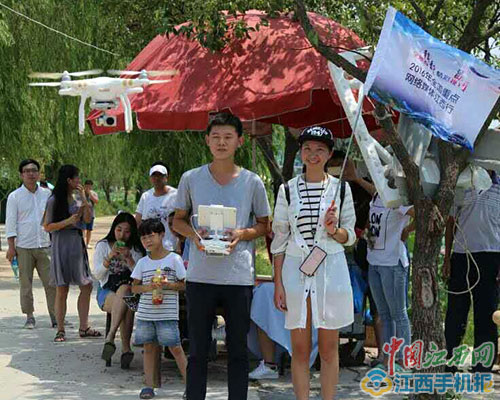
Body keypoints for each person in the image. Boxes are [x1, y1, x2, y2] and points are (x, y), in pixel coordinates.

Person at [173, 112, 271, 400]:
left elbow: (263, 225)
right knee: (198, 350)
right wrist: (195, 236)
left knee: (238, 351)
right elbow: (177, 220)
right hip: (200, 276)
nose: (221, 142)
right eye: (215, 137)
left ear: (239, 141)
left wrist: (242, 233)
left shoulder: (252, 182)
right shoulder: (191, 178)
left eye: (228, 137)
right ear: (207, 140)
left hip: (238, 277)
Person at [272, 126, 356, 400]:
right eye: (307, 148)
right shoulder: (287, 190)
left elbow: (350, 236)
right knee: (300, 349)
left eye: (320, 149)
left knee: (329, 349)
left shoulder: (341, 189)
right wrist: (278, 283)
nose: (313, 154)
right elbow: (280, 240)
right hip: (295, 273)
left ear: (330, 154)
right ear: (300, 152)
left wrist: (334, 230)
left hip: (331, 272)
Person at [443, 170, 500, 372]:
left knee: (486, 314)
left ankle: (482, 368)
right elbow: (451, 222)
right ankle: (450, 363)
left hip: (491, 256)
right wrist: (447, 258)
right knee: (455, 312)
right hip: (461, 254)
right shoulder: (465, 181)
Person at [43, 164, 101, 342]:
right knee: (62, 288)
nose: (79, 181)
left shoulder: (77, 198)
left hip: (77, 243)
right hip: (61, 243)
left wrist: (84, 199)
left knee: (86, 285)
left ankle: (84, 326)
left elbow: (87, 219)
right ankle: (60, 330)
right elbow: (47, 226)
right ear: (69, 180)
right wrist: (67, 221)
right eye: (76, 177)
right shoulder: (54, 200)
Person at [131, 219, 187, 399]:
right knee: (148, 348)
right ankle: (148, 386)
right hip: (146, 314)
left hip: (167, 314)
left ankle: (191, 385)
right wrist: (147, 287)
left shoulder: (174, 259)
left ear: (162, 235)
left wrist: (168, 285)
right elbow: (134, 288)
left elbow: (184, 284)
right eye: (143, 238)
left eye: (151, 236)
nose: (147, 241)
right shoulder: (142, 263)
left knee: (175, 348)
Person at [366, 192, 414, 372]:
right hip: (374, 262)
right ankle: (388, 359)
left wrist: (407, 230)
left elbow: (421, 213)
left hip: (393, 263)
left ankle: (403, 360)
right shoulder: (376, 195)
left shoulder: (397, 197)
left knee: (398, 314)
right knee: (384, 314)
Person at [5, 159, 56, 328]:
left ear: (39, 174)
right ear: (21, 175)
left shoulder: (47, 194)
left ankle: (56, 316)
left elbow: (52, 218)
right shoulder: (14, 196)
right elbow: (11, 223)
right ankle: (29, 316)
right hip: (23, 247)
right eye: (27, 171)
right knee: (25, 284)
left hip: (45, 246)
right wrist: (11, 247)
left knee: (51, 283)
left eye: (34, 170)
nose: (31, 174)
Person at [93, 212, 145, 368]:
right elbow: (97, 275)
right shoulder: (103, 246)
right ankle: (125, 349)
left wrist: (129, 259)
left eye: (127, 231)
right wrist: (109, 257)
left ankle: (110, 337)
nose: (122, 235)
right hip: (107, 291)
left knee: (125, 291)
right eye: (119, 230)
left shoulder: (136, 249)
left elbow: (140, 277)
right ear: (113, 229)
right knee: (126, 303)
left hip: (129, 290)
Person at [135, 162, 178, 251]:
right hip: (150, 247)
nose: (157, 178)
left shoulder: (176, 195)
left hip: (172, 246)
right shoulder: (145, 196)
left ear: (166, 177)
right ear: (150, 178)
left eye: (160, 175)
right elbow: (138, 221)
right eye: (154, 175)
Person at [82, 180, 99, 248]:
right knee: (82, 229)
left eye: (90, 186)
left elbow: (96, 201)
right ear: (84, 186)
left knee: (89, 229)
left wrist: (90, 194)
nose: (88, 187)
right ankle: (82, 243)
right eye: (87, 186)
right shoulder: (81, 193)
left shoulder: (94, 193)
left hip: (91, 214)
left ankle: (87, 243)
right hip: (83, 214)